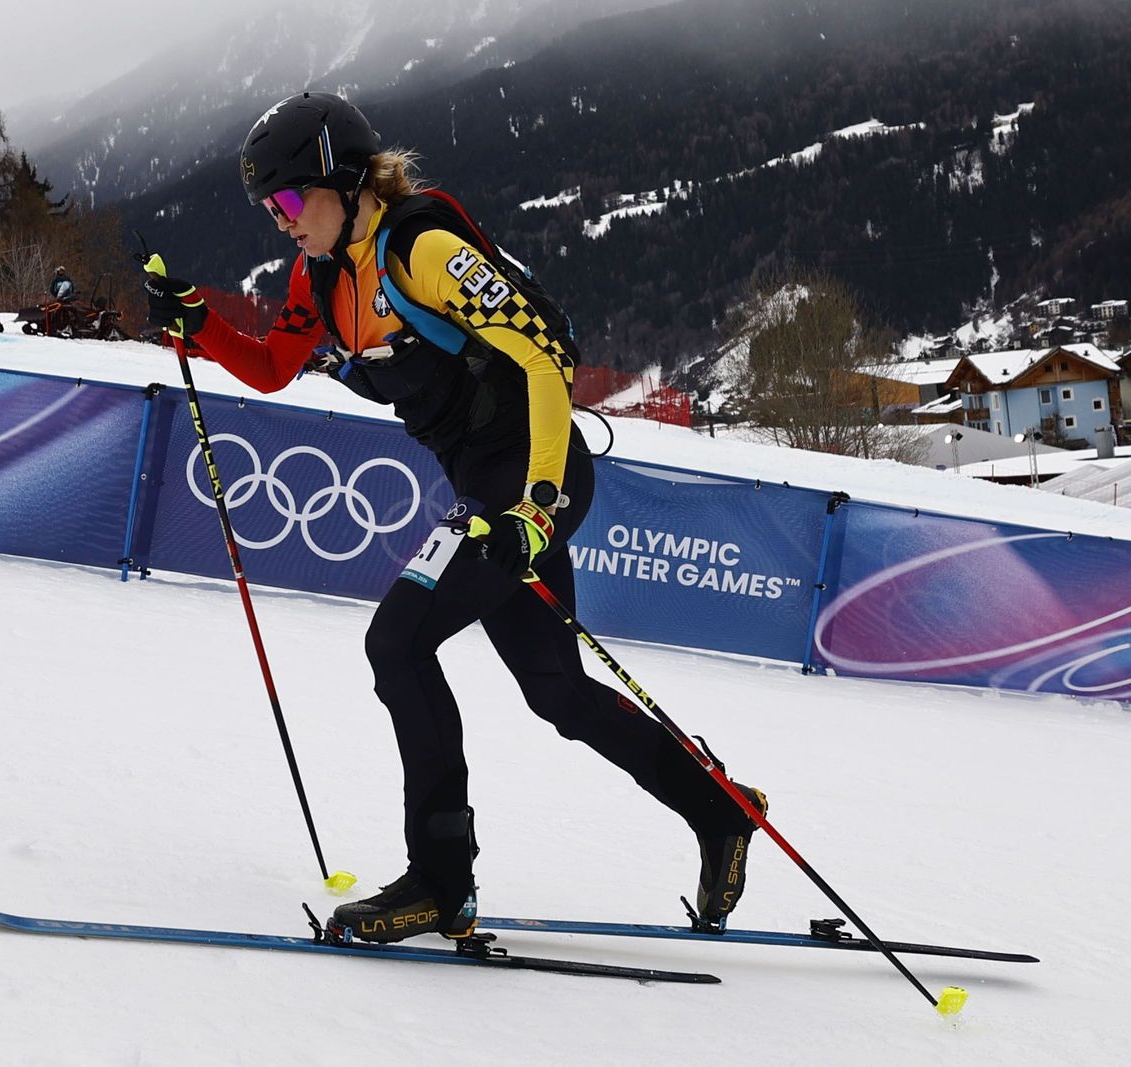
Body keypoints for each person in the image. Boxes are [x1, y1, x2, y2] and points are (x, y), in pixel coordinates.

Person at [144, 91, 767, 945]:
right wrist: (197, 321)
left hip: (535, 480)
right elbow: (271, 367)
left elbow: (547, 357)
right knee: (559, 692)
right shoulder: (318, 275)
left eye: (288, 200)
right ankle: (720, 808)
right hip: (486, 492)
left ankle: (440, 881)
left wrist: (535, 510)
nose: (280, 222)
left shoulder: (423, 249)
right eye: (269, 208)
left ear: (343, 180)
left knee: (397, 642)